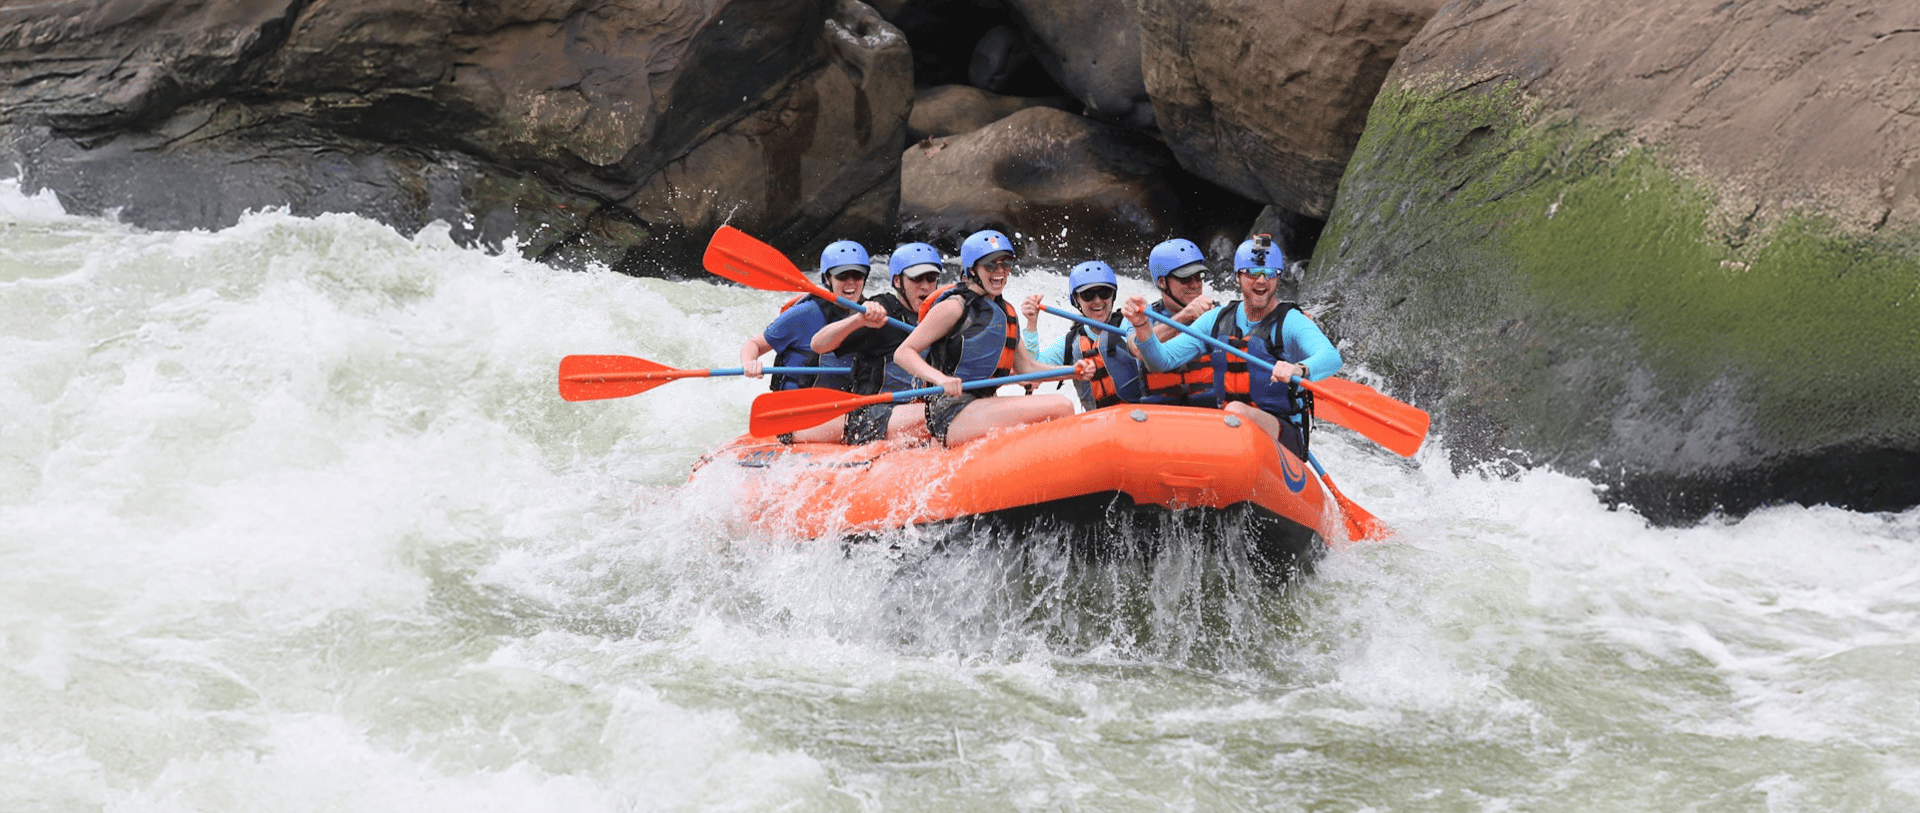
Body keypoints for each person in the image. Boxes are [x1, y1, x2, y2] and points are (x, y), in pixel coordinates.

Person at [1121, 234, 1341, 459]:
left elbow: (1331, 357)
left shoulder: (1292, 321)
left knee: (1235, 412)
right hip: (1228, 430)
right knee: (1229, 417)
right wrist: (1143, 329)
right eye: (1252, 273)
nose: (1262, 281)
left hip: (1281, 433)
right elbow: (1161, 361)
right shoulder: (1216, 319)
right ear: (1237, 276)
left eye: (1270, 273)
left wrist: (1298, 369)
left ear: (1279, 278)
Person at [893, 229, 1093, 446]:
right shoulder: (953, 307)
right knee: (1062, 406)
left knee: (1057, 408)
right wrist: (940, 379)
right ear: (972, 270)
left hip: (983, 404)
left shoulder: (1007, 312)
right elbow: (903, 353)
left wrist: (1073, 372)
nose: (1000, 271)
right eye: (990, 265)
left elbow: (1027, 368)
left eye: (1005, 264)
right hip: (951, 410)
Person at [804, 242, 947, 444]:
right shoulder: (882, 310)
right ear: (898, 281)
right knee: (943, 414)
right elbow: (818, 344)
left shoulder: (940, 312)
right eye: (916, 278)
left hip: (917, 407)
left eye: (931, 278)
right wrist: (858, 320)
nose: (925, 285)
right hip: (871, 413)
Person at [737, 239, 867, 442]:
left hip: (843, 408)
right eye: (842, 275)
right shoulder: (807, 313)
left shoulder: (873, 313)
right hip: (797, 412)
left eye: (857, 275)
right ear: (827, 278)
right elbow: (754, 344)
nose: (851, 282)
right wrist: (749, 363)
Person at [1018, 260, 1144, 411]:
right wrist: (1032, 324)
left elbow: (1143, 345)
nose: (1098, 301)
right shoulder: (1071, 341)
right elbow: (1031, 370)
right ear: (1076, 300)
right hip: (1097, 421)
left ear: (1113, 296)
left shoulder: (1129, 324)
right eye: (1088, 295)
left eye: (1104, 293)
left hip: (1140, 415)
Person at [1139, 237, 1220, 407]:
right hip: (1161, 413)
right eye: (1185, 279)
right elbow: (1139, 349)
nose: (1195, 285)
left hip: (1211, 412)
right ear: (1162, 282)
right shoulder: (1142, 318)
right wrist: (1185, 316)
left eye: (1198, 277)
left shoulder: (1220, 315)